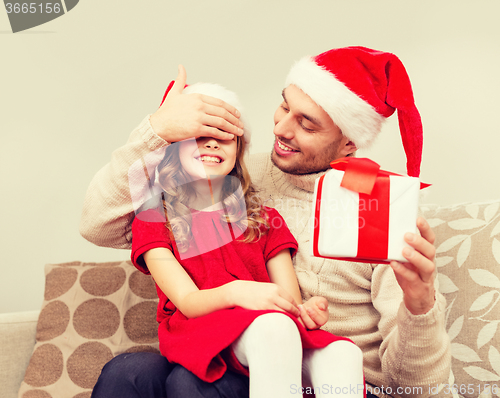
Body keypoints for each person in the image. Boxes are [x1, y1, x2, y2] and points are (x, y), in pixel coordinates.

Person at [84, 46, 451, 397]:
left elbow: (422, 389)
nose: (281, 129)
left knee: (193, 383)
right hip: (230, 344)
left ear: (347, 144)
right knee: (128, 373)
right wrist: (157, 129)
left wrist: (420, 306)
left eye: (306, 124)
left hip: (319, 368)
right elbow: (98, 225)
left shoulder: (380, 210)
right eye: (284, 106)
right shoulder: (234, 177)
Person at [127, 81, 365, 398]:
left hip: (268, 328)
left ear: (238, 150)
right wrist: (239, 292)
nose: (212, 145)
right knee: (274, 328)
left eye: (224, 137)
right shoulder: (155, 218)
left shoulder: (264, 218)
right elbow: (188, 302)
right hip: (202, 329)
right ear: (172, 150)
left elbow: (287, 300)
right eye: (199, 137)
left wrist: (305, 311)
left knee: (343, 353)